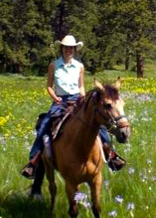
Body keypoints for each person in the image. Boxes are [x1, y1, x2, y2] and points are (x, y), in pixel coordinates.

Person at [21, 35, 125, 179]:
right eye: (66, 47)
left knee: (98, 124)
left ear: (75, 50)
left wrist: (82, 98)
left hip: (77, 99)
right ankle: (33, 161)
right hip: (60, 101)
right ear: (62, 48)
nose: (69, 50)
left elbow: (81, 85)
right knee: (44, 125)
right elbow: (49, 86)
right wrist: (55, 98)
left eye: (71, 48)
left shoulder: (79, 66)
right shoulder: (54, 65)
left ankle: (110, 155)